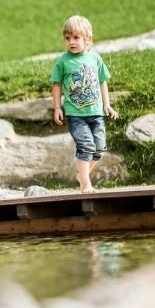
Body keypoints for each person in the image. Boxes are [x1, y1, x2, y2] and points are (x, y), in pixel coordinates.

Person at [51, 15, 119, 193]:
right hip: (76, 115)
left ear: (88, 38)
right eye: (67, 38)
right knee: (86, 146)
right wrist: (57, 107)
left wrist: (107, 105)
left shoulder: (95, 58)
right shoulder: (63, 61)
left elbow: (103, 81)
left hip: (96, 113)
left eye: (76, 37)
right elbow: (56, 85)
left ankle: (83, 174)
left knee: (100, 149)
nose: (71, 42)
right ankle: (85, 184)